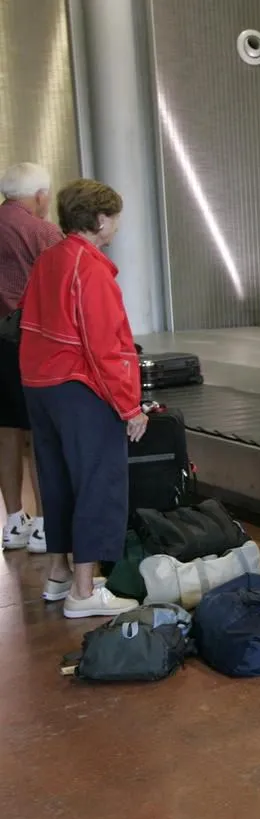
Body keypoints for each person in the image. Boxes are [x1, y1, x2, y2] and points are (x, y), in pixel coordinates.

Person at [20, 178, 142, 617]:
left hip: (39, 384)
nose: (116, 227)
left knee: (56, 480)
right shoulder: (88, 267)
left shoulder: (48, 259)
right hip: (80, 387)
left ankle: (59, 574)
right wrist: (129, 404)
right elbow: (104, 344)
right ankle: (84, 590)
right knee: (96, 481)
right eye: (115, 219)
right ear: (101, 219)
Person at [0, 162, 63, 553]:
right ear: (41, 196)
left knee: (6, 431)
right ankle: (43, 523)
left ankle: (12, 520)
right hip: (32, 341)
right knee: (42, 432)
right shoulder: (43, 231)